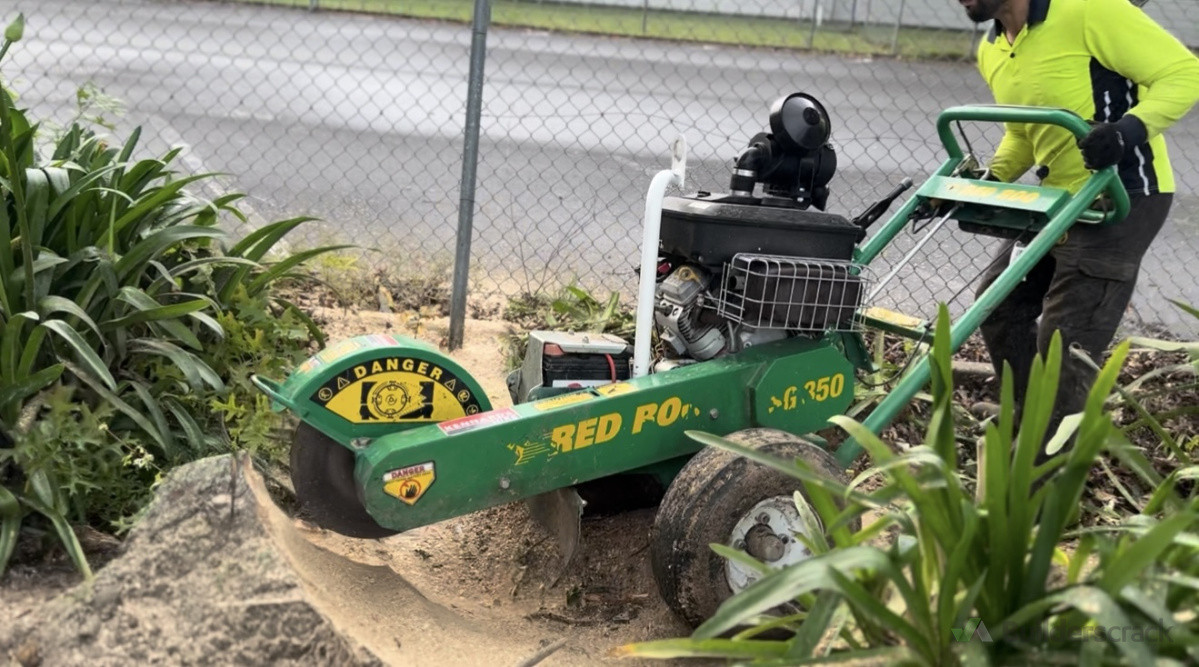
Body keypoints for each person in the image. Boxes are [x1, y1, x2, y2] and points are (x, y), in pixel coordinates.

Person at [957, 0, 1199, 456]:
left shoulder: (1090, 10)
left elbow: (1185, 72)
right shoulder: (993, 48)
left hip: (1121, 196)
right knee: (999, 304)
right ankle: (1030, 417)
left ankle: (1045, 470)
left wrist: (1126, 131)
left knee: (1067, 340)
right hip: (1057, 200)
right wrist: (988, 180)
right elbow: (1022, 134)